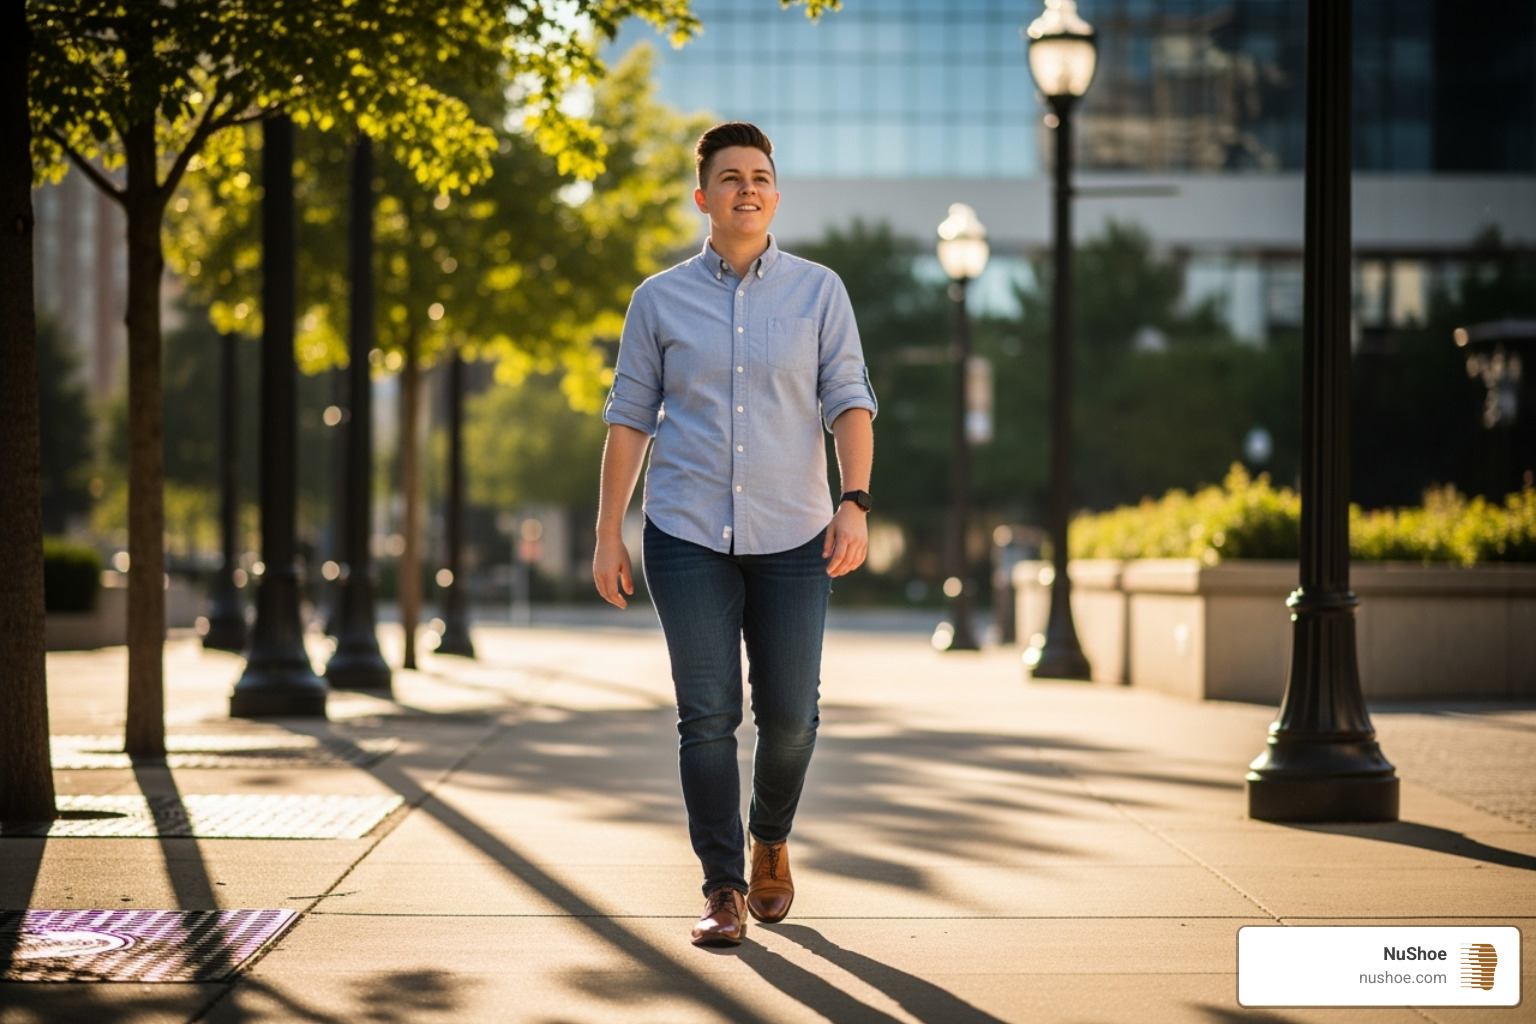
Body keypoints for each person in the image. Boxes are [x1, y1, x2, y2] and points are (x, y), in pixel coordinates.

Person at [592, 122, 877, 948]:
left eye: (760, 176)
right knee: (706, 714)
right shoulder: (658, 299)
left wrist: (854, 500)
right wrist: (609, 533)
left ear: (775, 195)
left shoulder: (821, 292)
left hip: (796, 533)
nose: (746, 188)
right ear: (703, 197)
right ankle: (721, 886)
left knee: (791, 717)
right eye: (730, 177)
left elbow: (849, 402)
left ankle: (771, 839)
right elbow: (627, 423)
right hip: (684, 533)